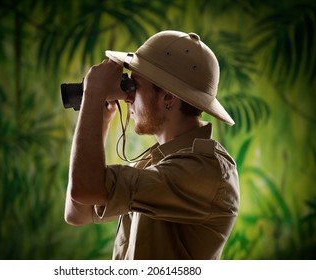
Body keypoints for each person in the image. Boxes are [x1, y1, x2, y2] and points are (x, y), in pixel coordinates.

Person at [64, 30, 240, 260]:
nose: (127, 97)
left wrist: (94, 92)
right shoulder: (154, 162)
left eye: (134, 86)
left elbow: (85, 188)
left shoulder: (204, 171)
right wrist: (100, 117)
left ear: (168, 98)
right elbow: (78, 212)